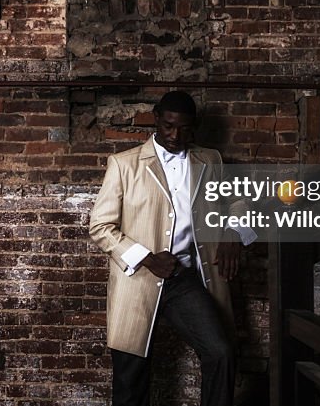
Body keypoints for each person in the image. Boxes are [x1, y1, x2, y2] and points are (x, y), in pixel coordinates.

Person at [89, 91, 255, 406]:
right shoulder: (124, 164)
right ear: (156, 118)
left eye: (184, 128)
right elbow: (100, 226)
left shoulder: (210, 160)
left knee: (220, 352)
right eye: (168, 126)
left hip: (182, 280)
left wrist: (234, 231)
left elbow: (237, 202)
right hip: (136, 280)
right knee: (130, 377)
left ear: (195, 126)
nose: (175, 135)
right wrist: (147, 258)